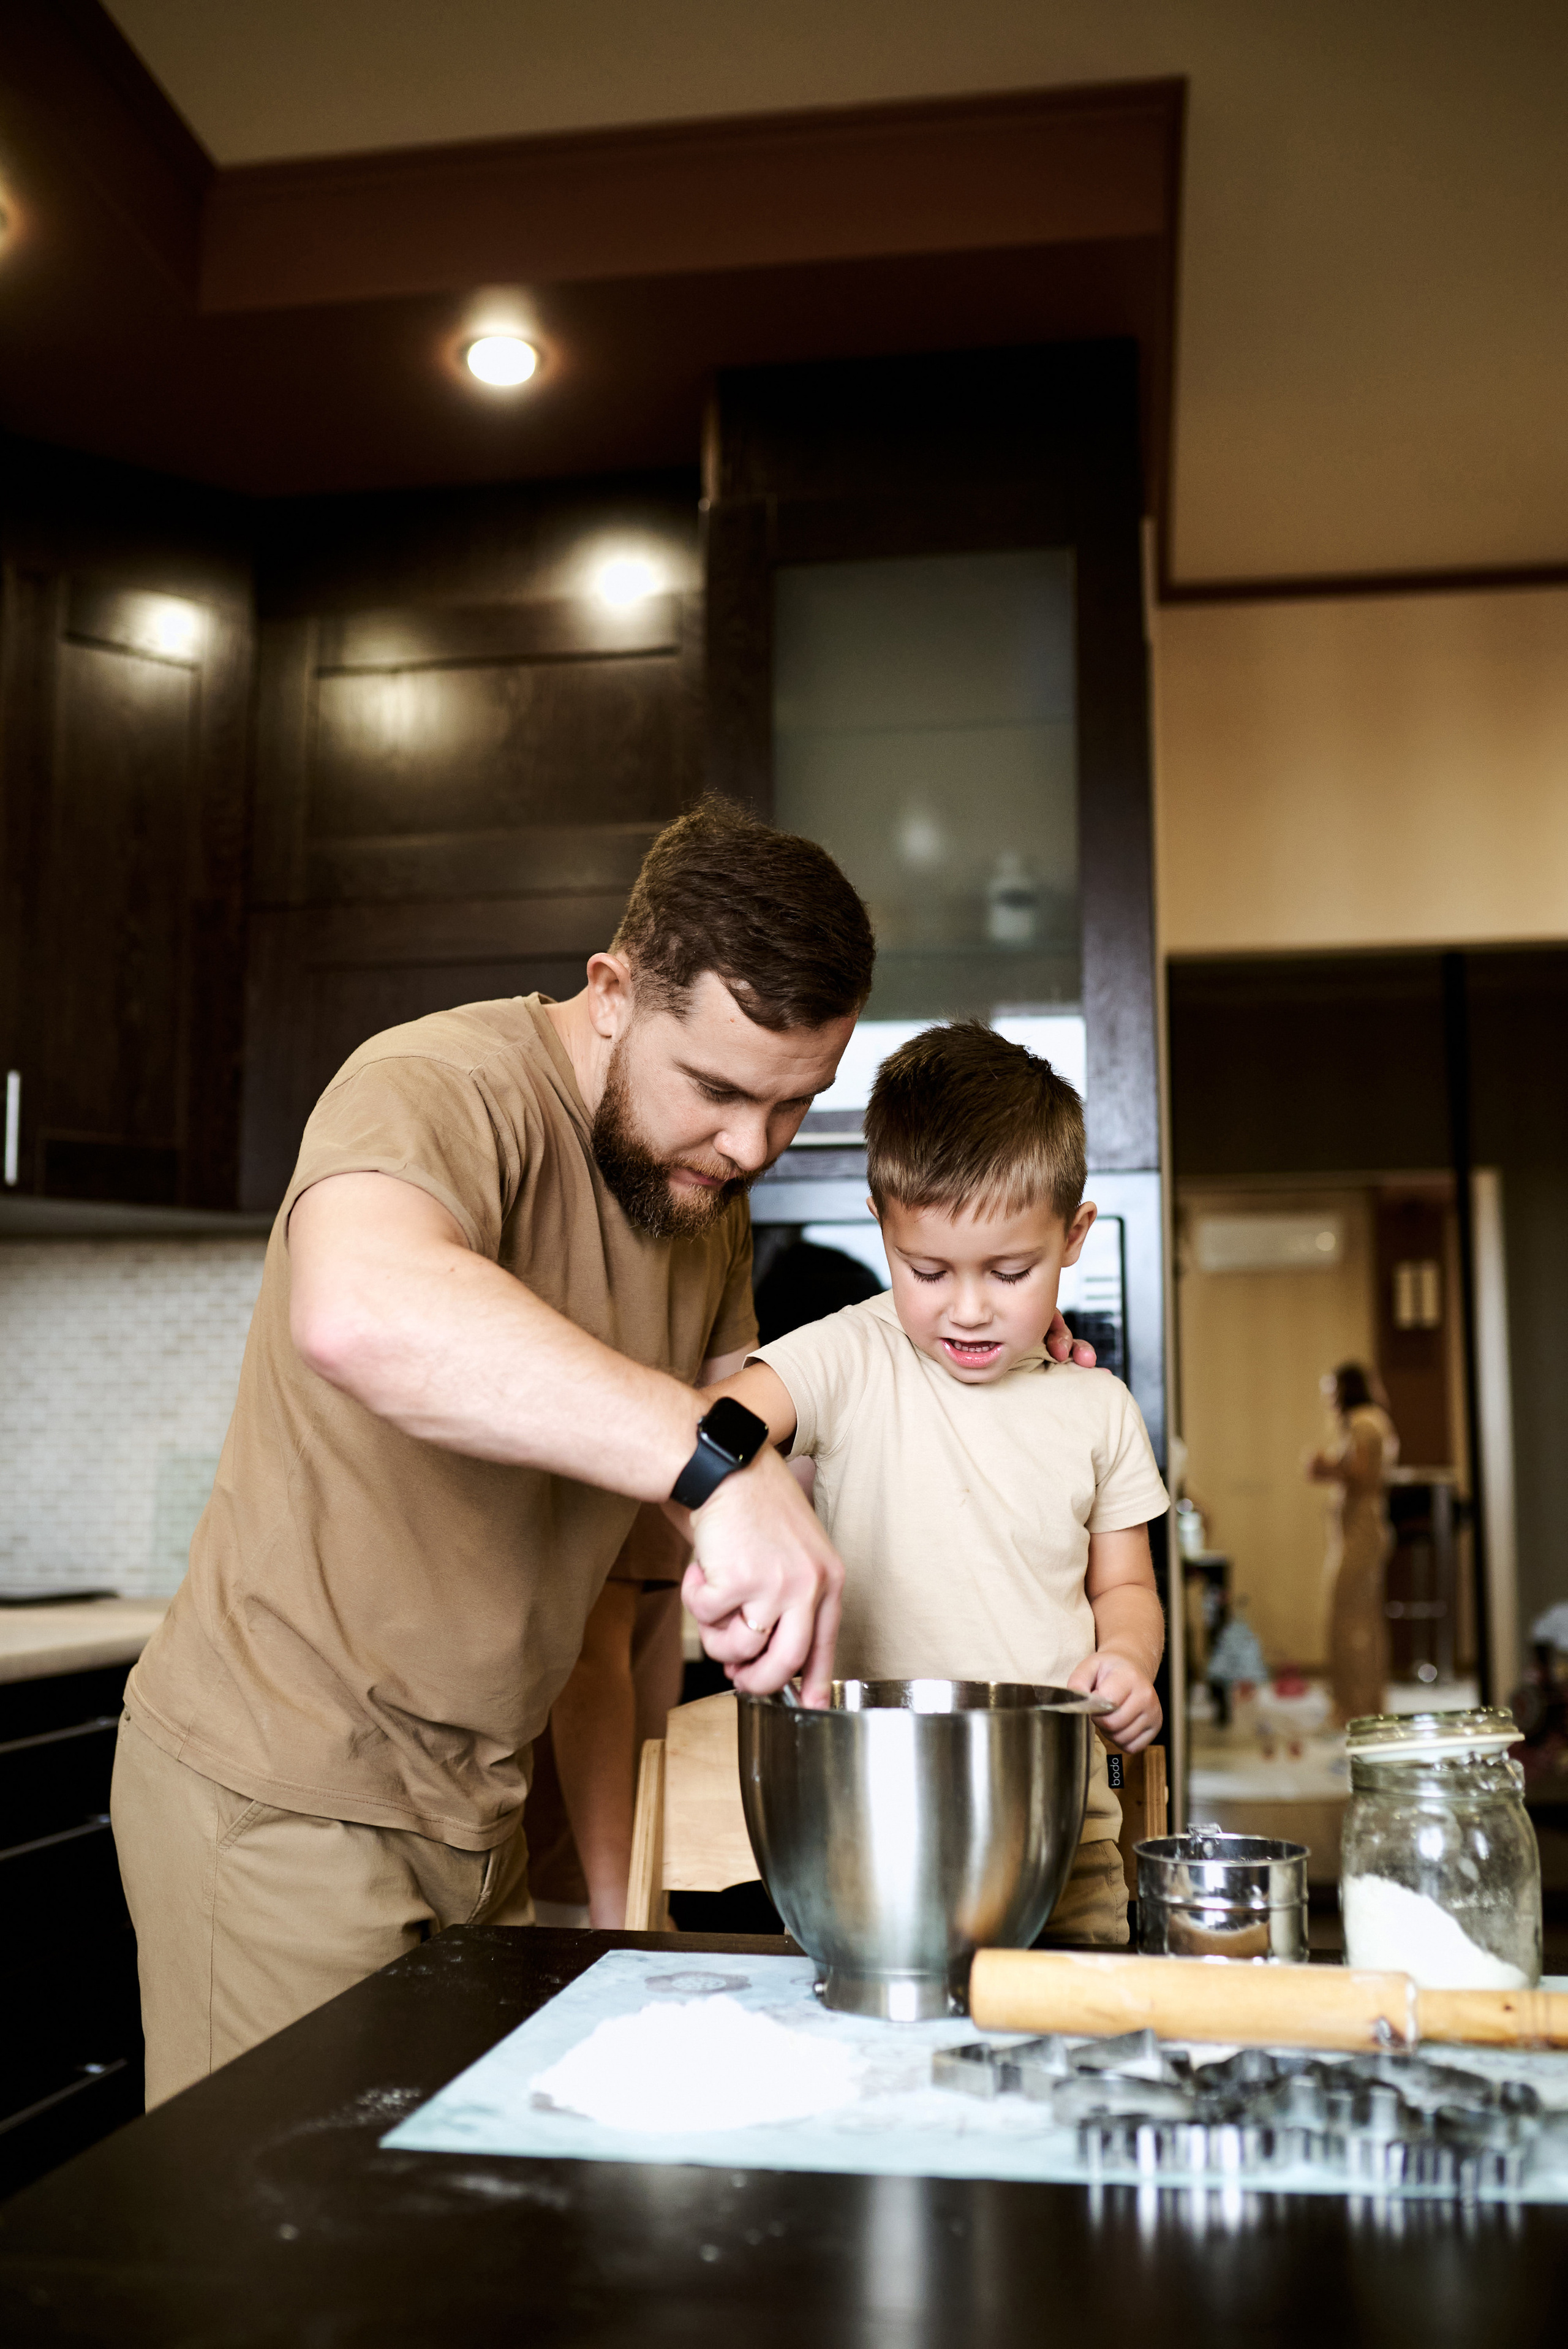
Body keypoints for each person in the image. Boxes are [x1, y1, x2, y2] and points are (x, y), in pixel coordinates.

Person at [111, 803, 1091, 2098]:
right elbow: (359, 1307)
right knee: (296, 2270)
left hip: (490, 1818)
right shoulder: (439, 1086)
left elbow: (635, 1586)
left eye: (794, 1106)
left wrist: (979, 1363)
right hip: (284, 1797)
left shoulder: (696, 1200)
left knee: (478, 2253)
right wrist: (715, 1463)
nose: (751, 1147)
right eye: (721, 1090)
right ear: (613, 991)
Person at [704, 1021, 1168, 1946]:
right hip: (870, 1824)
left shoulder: (1098, 1406)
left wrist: (1129, 1662)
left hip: (1061, 1833)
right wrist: (745, 1510)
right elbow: (715, 1422)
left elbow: (1125, 1586)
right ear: (882, 1222)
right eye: (928, 1270)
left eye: (1009, 1271)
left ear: (1074, 1235)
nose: (966, 1307)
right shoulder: (847, 1354)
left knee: (1069, 2058)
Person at [1308, 1361, 1399, 1725]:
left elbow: (1360, 1474)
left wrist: (1323, 1467)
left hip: (1362, 1532)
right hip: (1363, 1531)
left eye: (1332, 1391)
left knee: (1348, 1622)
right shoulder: (1373, 1420)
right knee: (1365, 1621)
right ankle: (1367, 1703)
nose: (1329, 1400)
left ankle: (1354, 1706)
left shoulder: (1364, 1422)